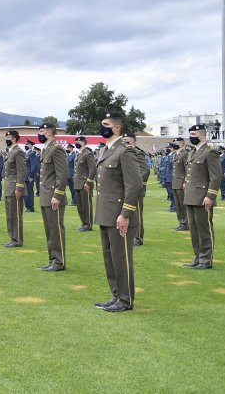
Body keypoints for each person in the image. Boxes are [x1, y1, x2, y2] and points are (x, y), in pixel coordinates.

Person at [93, 112, 142, 312]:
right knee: (110, 258)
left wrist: (125, 214)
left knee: (121, 258)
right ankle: (115, 296)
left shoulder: (125, 151)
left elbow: (135, 185)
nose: (101, 127)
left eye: (105, 124)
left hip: (119, 215)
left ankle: (125, 299)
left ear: (116, 128)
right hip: (105, 213)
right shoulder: (106, 150)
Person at [182, 124, 221, 270]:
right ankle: (198, 257)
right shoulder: (192, 152)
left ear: (202, 135)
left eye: (194, 134)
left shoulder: (210, 152)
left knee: (204, 228)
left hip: (203, 196)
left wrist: (210, 196)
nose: (191, 137)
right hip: (191, 196)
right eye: (190, 134)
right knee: (194, 229)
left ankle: (206, 259)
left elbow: (216, 177)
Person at [37, 123, 68, 272]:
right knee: (49, 230)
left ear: (49, 132)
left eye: (42, 131)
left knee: (56, 229)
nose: (39, 134)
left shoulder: (56, 149)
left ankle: (59, 262)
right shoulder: (47, 149)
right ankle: (52, 259)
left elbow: (62, 175)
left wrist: (57, 195)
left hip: (53, 197)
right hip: (45, 196)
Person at [123, 133, 150, 246]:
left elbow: (145, 170)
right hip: (124, 188)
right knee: (126, 212)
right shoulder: (123, 152)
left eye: (127, 140)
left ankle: (138, 237)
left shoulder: (138, 153)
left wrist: (137, 185)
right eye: (123, 140)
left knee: (136, 213)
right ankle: (128, 235)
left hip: (135, 189)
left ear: (133, 141)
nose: (125, 142)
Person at [2, 130, 26, 248]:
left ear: (15, 138)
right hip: (8, 187)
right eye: (6, 137)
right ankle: (12, 238)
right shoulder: (10, 152)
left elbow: (21, 171)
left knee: (15, 214)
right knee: (10, 215)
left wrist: (19, 188)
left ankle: (17, 240)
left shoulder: (18, 152)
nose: (7, 139)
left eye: (9, 137)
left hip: (14, 188)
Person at [72, 136, 96, 232]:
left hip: (85, 184)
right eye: (75, 141)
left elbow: (93, 169)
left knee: (86, 205)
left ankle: (88, 224)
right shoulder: (78, 154)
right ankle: (83, 223)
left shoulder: (87, 153)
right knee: (80, 206)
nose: (76, 143)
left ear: (83, 142)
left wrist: (88, 182)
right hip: (78, 183)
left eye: (78, 141)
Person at [170, 138, 189, 231]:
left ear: (181, 144)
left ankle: (185, 223)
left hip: (181, 183)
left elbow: (187, 170)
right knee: (177, 204)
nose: (174, 144)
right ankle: (181, 222)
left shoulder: (185, 154)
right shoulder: (175, 155)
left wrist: (185, 182)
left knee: (182, 204)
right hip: (175, 183)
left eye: (176, 143)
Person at [23, 140, 38, 212]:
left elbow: (34, 166)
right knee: (25, 192)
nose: (26, 145)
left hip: (29, 177)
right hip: (25, 176)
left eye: (27, 144)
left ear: (31, 145)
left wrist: (31, 176)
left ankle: (30, 207)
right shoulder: (26, 153)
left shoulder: (31, 154)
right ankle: (27, 206)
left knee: (29, 192)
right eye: (25, 144)